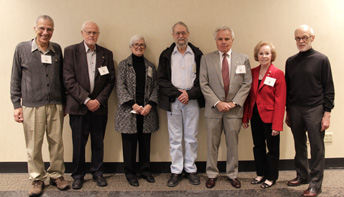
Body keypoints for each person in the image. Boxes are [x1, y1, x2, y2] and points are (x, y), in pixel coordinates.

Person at [10, 15, 70, 196]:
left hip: (55, 105)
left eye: (50, 29)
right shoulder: (22, 48)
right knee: (34, 145)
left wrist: (65, 102)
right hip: (31, 105)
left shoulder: (57, 49)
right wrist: (16, 104)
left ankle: (57, 175)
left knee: (57, 143)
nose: (46, 32)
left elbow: (62, 78)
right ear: (35, 28)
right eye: (42, 28)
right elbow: (15, 78)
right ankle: (37, 178)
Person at [63, 21, 115, 190]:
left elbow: (110, 81)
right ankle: (78, 175)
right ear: (82, 33)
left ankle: (97, 172)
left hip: (99, 108)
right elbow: (68, 80)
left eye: (95, 32)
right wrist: (86, 100)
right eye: (88, 32)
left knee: (98, 142)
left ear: (98, 34)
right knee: (78, 143)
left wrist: (98, 101)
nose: (91, 35)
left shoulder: (106, 54)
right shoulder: (71, 51)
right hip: (79, 107)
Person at [199, 25, 252, 189]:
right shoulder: (206, 59)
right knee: (211, 144)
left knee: (232, 144)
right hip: (214, 110)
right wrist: (217, 102)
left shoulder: (242, 59)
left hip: (234, 110)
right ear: (216, 40)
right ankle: (212, 174)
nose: (223, 42)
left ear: (232, 40)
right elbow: (203, 83)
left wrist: (233, 103)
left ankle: (232, 174)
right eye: (220, 39)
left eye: (226, 39)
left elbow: (247, 83)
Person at [285, 25, 335, 197]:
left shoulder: (322, 60)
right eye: (298, 38)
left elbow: (329, 89)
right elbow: (288, 89)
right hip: (295, 109)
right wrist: (288, 112)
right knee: (299, 146)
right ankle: (302, 175)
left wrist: (326, 114)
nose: (301, 41)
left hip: (315, 109)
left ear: (312, 38)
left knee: (317, 148)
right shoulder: (290, 61)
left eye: (304, 37)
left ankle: (315, 184)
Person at [157, 21, 204, 187]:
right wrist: (178, 94)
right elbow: (161, 80)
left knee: (191, 137)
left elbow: (202, 80)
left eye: (183, 33)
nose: (181, 36)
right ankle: (176, 170)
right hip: (173, 101)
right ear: (173, 35)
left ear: (188, 34)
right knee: (175, 138)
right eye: (177, 33)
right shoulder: (166, 55)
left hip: (192, 100)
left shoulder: (197, 54)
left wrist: (189, 94)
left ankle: (191, 169)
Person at [115, 35, 159, 187]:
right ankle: (130, 173)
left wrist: (149, 105)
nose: (139, 47)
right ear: (130, 47)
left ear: (145, 47)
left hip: (147, 111)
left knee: (145, 143)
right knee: (129, 144)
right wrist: (133, 105)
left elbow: (156, 87)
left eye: (141, 44)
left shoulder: (151, 66)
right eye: (135, 44)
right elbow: (120, 86)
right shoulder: (123, 65)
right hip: (129, 111)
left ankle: (145, 171)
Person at [242, 41, 286, 188]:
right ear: (257, 55)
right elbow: (248, 98)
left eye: (267, 53)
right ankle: (260, 174)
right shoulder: (252, 72)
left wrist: (277, 125)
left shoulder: (278, 74)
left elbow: (280, 101)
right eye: (261, 53)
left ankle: (271, 177)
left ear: (272, 55)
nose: (264, 56)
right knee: (258, 146)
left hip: (270, 118)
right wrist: (245, 117)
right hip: (255, 116)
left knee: (272, 149)